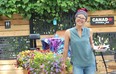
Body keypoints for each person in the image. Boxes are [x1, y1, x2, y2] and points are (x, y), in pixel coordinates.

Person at [62, 8, 96, 74]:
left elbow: (91, 44)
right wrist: (63, 62)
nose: (80, 19)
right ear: (75, 18)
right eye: (79, 17)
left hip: (89, 62)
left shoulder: (89, 31)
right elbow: (65, 49)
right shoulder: (68, 32)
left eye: (83, 18)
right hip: (77, 64)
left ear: (85, 20)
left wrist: (96, 47)